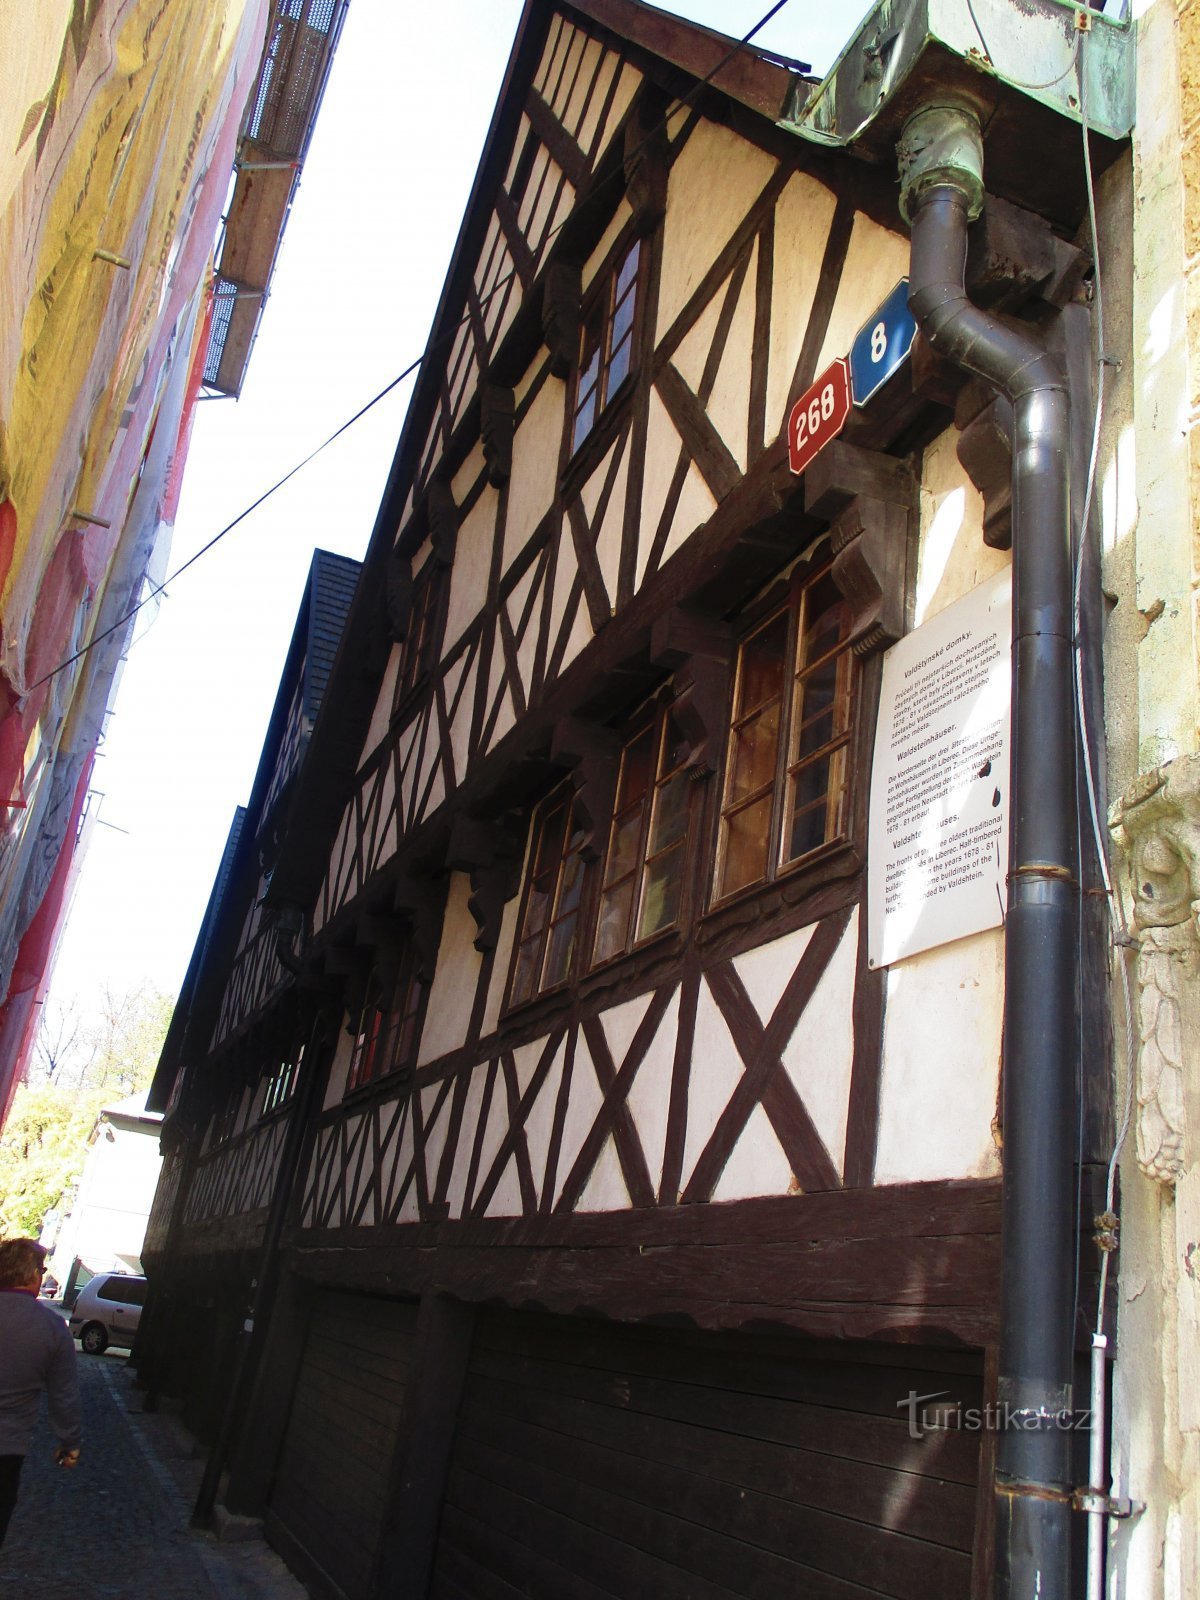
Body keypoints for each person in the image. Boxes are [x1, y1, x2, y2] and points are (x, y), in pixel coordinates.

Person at [0, 1238, 81, 1547]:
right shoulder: (51, 1328)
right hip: (7, 1448)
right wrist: (69, 1442)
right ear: (33, 1274)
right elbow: (64, 1395)